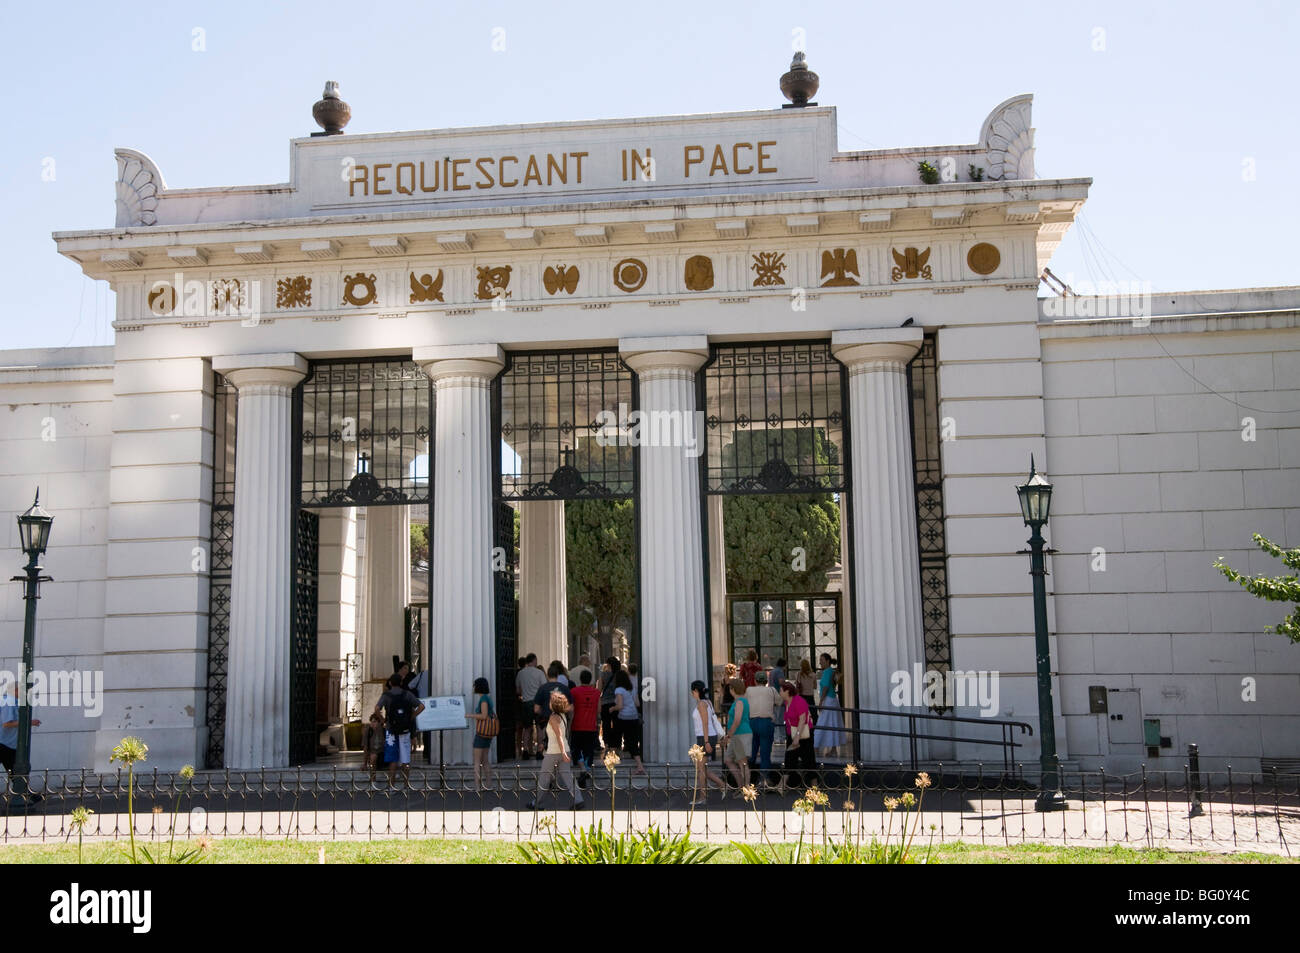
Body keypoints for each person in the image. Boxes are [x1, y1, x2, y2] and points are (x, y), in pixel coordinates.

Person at [527, 692, 584, 810]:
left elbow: (558, 736)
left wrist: (562, 751)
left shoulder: (553, 717)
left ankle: (535, 803)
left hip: (554, 752)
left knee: (544, 778)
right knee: (568, 777)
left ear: (553, 704)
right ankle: (579, 800)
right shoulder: (563, 715)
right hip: (565, 750)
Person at [374, 674, 425, 784]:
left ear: (390, 683)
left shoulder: (386, 695)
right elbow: (421, 706)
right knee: (405, 759)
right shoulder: (407, 694)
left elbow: (377, 709)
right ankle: (406, 784)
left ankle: (391, 783)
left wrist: (383, 720)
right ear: (401, 683)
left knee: (393, 758)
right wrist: (411, 717)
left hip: (391, 730)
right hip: (405, 730)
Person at [689, 680, 726, 798]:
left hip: (705, 737)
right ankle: (719, 785)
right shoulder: (708, 702)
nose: (691, 694)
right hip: (707, 736)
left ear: (695, 691)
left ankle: (703, 796)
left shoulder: (701, 704)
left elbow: (705, 723)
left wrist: (706, 742)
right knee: (701, 768)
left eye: (692, 691)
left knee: (700, 769)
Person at [532, 661, 573, 760]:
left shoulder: (542, 688)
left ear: (547, 675)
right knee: (560, 736)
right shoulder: (564, 688)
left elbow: (536, 709)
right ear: (557, 675)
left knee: (543, 733)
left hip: (546, 718)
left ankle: (540, 749)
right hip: (561, 718)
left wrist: (544, 712)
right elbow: (571, 707)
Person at [0, 683, 39, 786]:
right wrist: (28, 722)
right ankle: (24, 794)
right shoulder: (8, 702)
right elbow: (6, 723)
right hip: (3, 744)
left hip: (9, 744)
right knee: (16, 771)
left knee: (16, 772)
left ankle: (26, 794)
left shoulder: (14, 702)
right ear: (16, 690)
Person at [569, 669, 601, 787]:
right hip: (591, 726)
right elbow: (599, 710)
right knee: (589, 750)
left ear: (580, 679)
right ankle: (586, 769)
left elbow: (571, 708)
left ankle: (582, 769)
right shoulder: (596, 692)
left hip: (577, 725)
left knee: (576, 749)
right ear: (590, 680)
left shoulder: (574, 691)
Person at [780, 680, 814, 789]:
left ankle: (815, 786)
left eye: (781, 690)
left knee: (808, 759)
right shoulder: (786, 702)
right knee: (789, 758)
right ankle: (782, 785)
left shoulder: (799, 701)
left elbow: (802, 719)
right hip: (792, 734)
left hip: (803, 735)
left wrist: (797, 737)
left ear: (787, 691)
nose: (779, 692)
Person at [466, 677, 497, 792]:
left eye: (474, 685)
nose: (473, 688)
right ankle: (489, 784)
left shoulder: (483, 699)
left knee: (477, 761)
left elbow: (483, 716)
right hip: (487, 733)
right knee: (485, 760)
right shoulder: (487, 698)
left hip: (481, 733)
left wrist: (470, 715)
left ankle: (477, 787)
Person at [611, 669, 646, 774]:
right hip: (633, 717)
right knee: (632, 742)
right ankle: (640, 766)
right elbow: (637, 704)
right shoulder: (632, 689)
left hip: (623, 717)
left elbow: (620, 706)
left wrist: (612, 709)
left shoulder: (619, 690)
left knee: (615, 737)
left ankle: (611, 762)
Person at [814, 654, 846, 757]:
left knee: (821, 723)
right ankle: (833, 749)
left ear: (828, 661)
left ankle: (816, 748)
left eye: (822, 660)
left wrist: (821, 701)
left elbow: (825, 687)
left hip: (828, 700)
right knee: (833, 724)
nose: (820, 662)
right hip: (833, 700)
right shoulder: (831, 671)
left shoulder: (827, 672)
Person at [747, 670, 777, 781]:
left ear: (755, 681)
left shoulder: (749, 690)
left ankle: (748, 779)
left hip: (752, 722)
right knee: (765, 753)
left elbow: (745, 702)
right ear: (766, 681)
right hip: (766, 722)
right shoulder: (772, 690)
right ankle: (764, 779)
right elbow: (779, 701)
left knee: (751, 752)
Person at [722, 677, 751, 791]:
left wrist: (728, 735)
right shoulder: (740, 701)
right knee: (729, 760)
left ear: (732, 689)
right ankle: (741, 786)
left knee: (742, 762)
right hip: (737, 734)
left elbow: (737, 720)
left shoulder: (739, 702)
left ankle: (746, 789)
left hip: (740, 734)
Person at [515, 654, 546, 758]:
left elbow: (518, 690)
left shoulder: (521, 673)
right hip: (537, 702)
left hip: (526, 703)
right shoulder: (539, 673)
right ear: (534, 660)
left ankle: (525, 751)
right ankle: (539, 751)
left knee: (527, 728)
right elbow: (544, 688)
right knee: (539, 727)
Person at [599, 657, 622, 752]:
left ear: (608, 665)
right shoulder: (619, 675)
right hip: (616, 703)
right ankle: (616, 745)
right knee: (616, 724)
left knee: (606, 725)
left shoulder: (603, 675)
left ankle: (607, 745)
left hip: (605, 703)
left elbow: (599, 689)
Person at [362, 711, 386, 781]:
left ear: (379, 723)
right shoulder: (368, 731)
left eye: (374, 722)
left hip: (383, 755)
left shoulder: (384, 730)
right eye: (371, 722)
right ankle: (373, 779)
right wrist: (364, 763)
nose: (372, 724)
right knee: (373, 756)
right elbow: (365, 748)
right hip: (373, 755)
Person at [796, 658, 819, 729]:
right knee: (814, 713)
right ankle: (815, 728)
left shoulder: (799, 674)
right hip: (810, 696)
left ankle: (800, 728)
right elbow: (815, 687)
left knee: (800, 713)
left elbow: (797, 685)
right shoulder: (813, 675)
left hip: (802, 696)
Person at [769, 657, 787, 738]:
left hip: (771, 695)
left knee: (774, 716)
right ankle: (781, 736)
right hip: (779, 696)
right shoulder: (780, 671)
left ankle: (775, 735)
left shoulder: (772, 671)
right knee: (780, 717)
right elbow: (781, 682)